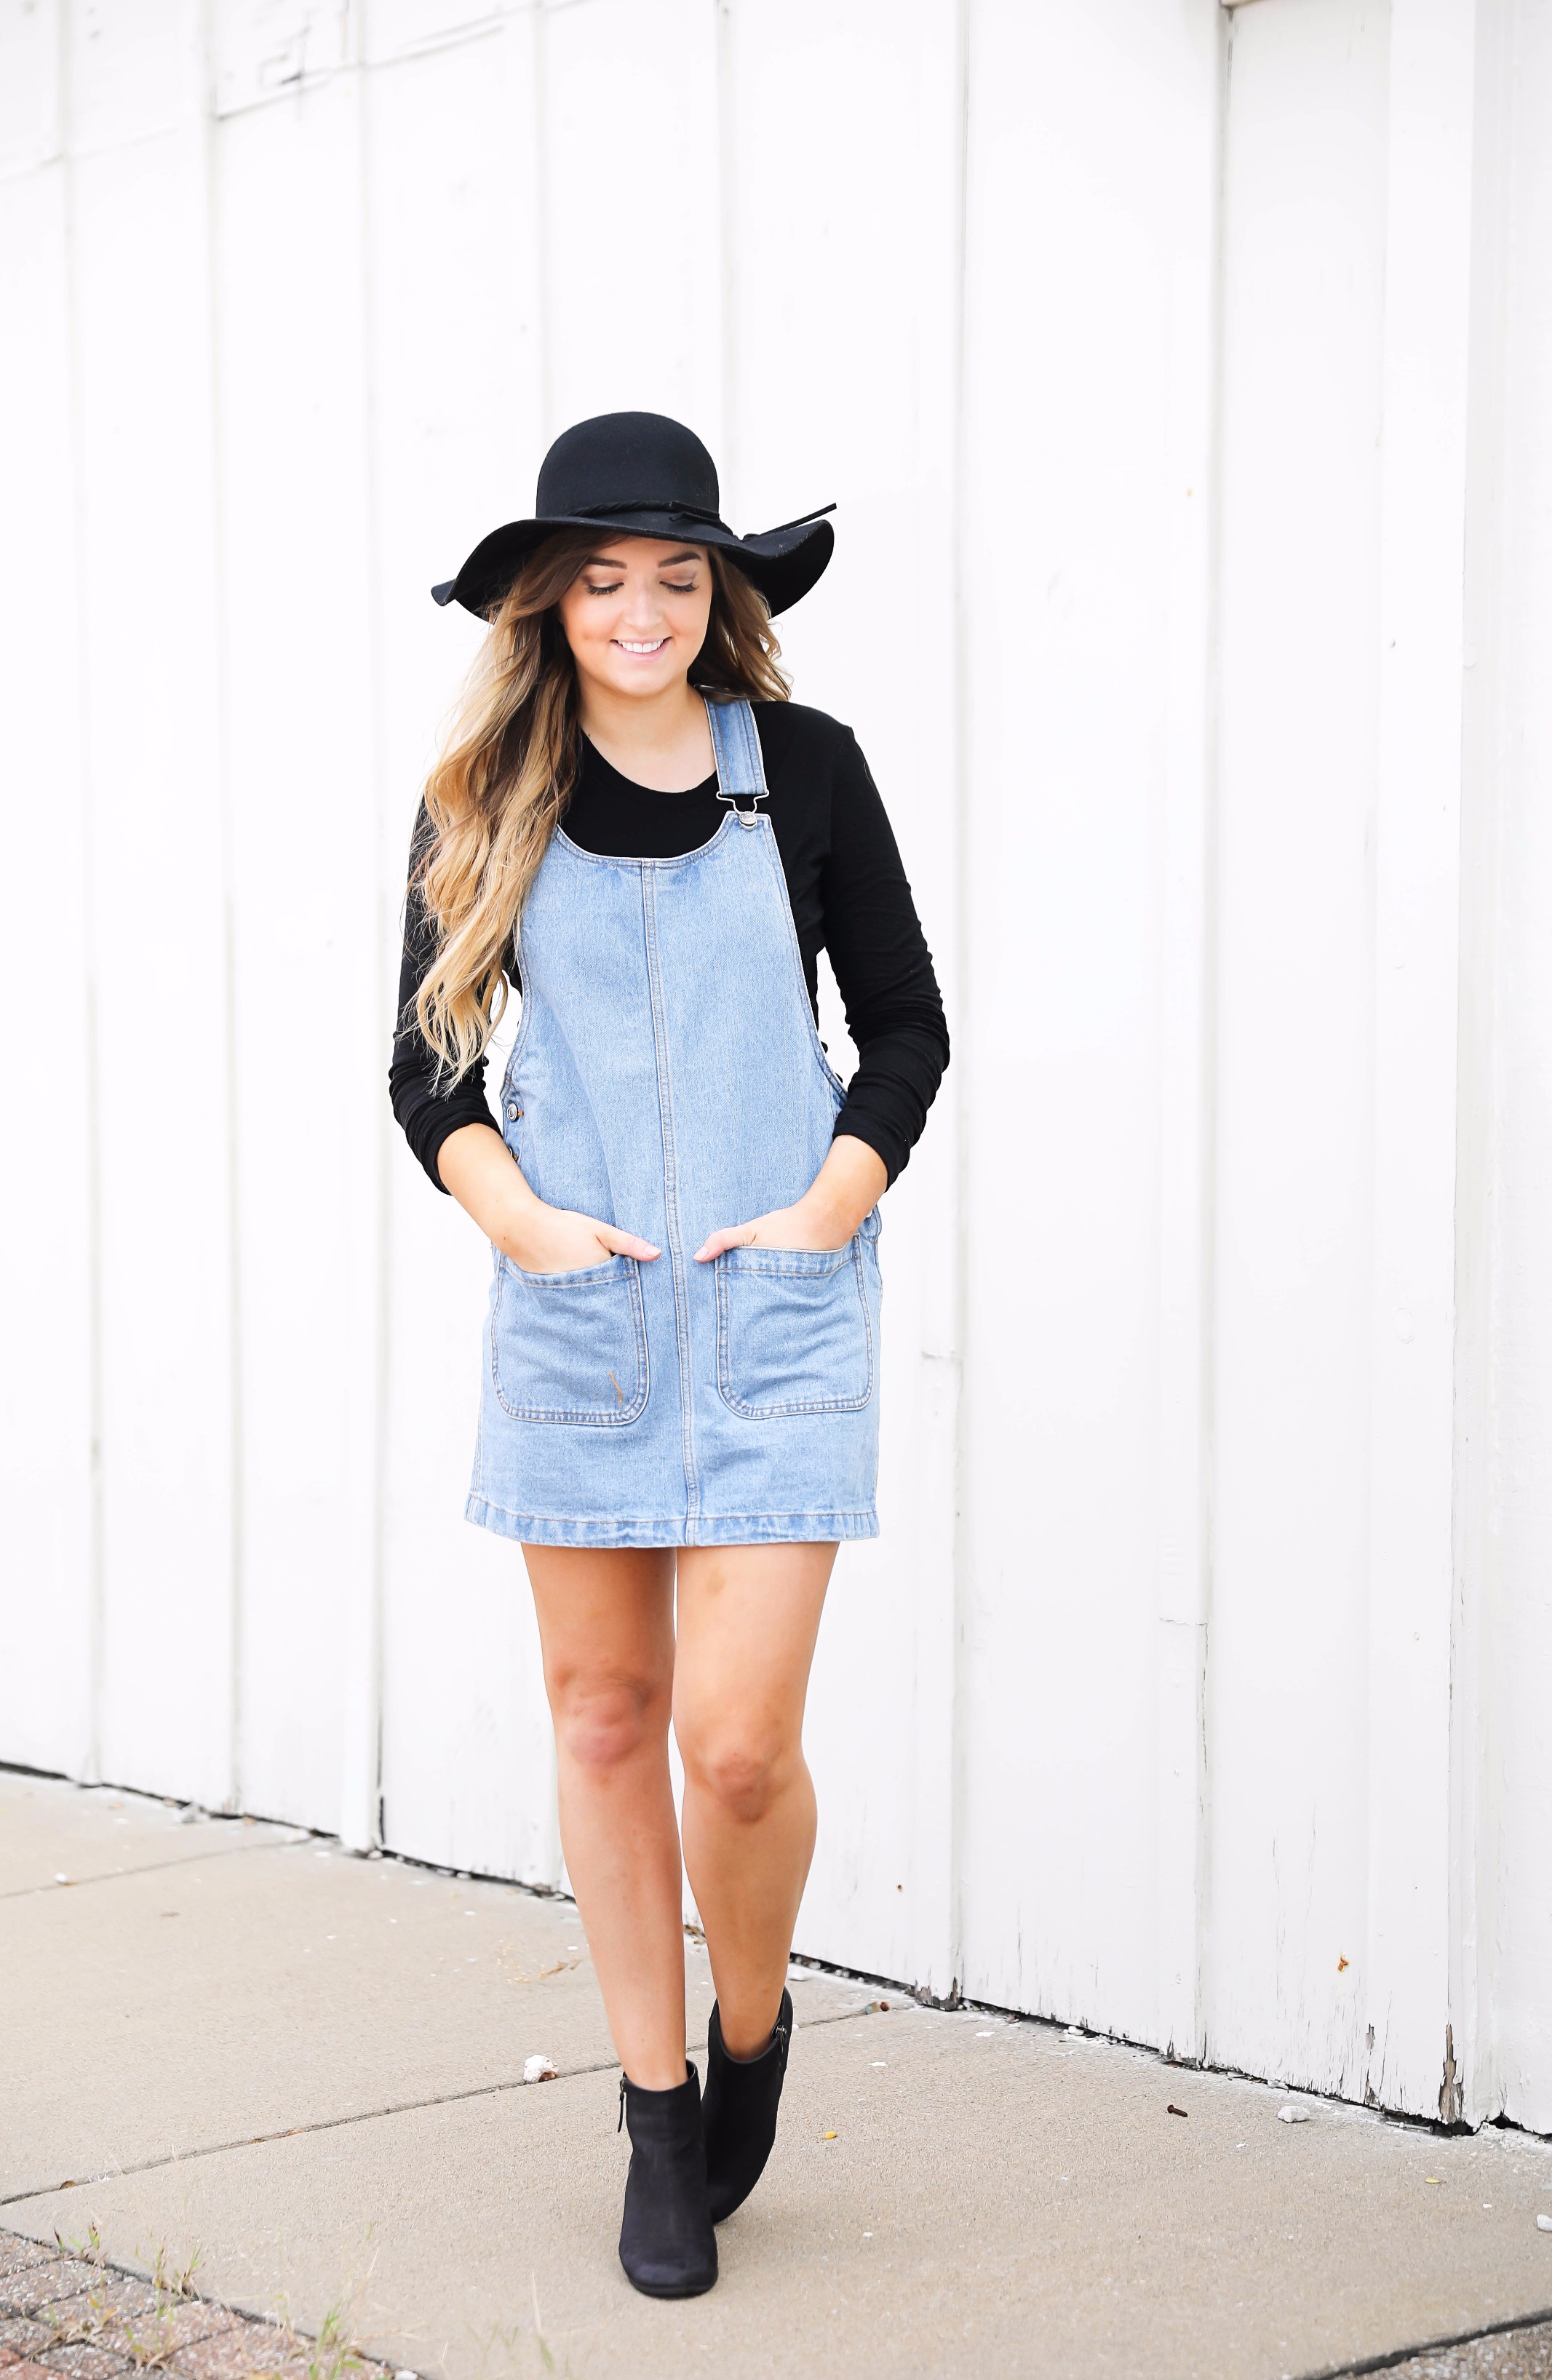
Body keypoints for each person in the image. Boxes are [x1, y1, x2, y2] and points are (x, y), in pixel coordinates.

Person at [390, 412, 948, 2296]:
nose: (643, 610)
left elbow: (905, 1034)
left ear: (722, 596)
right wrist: (522, 1223)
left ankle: (757, 2017)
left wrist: (828, 1205)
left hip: (778, 1313)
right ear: (548, 604)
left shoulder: (803, 769)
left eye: (678, 577)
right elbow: (429, 1074)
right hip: (577, 1313)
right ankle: (652, 2113)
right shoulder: (483, 797)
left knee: (735, 1743)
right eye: (606, 579)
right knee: (608, 1720)